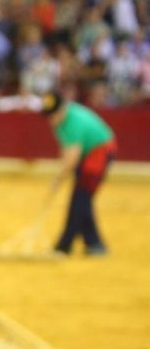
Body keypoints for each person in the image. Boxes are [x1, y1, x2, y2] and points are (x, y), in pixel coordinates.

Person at [42, 92, 116, 256]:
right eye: (49, 115)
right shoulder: (62, 121)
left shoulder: (73, 121)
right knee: (82, 199)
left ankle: (66, 244)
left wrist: (58, 179)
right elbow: (67, 150)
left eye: (54, 114)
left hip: (99, 152)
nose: (51, 119)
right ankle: (93, 243)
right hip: (90, 154)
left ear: (62, 108)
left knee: (81, 198)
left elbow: (72, 156)